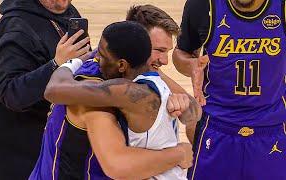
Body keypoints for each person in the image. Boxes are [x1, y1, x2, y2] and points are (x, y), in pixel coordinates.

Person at [31, 21, 201, 179]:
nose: (97, 58)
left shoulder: (139, 83)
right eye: (158, 50)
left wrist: (184, 105)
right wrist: (178, 153)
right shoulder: (105, 90)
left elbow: (194, 111)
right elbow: (117, 165)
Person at [173, 0, 286, 179]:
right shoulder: (202, 5)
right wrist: (191, 66)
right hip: (216, 127)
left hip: (271, 129)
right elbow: (180, 52)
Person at [0, 0, 90, 179]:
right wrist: (56, 65)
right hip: (14, 160)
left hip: (41, 150)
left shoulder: (65, 13)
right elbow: (12, 93)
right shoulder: (17, 29)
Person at [126, 4, 197, 143]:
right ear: (135, 43)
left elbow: (193, 114)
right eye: (159, 50)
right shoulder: (106, 85)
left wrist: (182, 103)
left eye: (167, 51)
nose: (165, 61)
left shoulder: (154, 75)